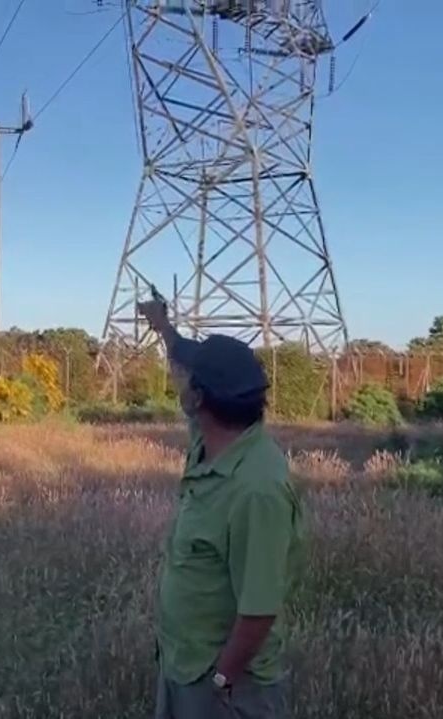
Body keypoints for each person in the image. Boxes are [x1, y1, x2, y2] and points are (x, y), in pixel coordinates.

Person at [137, 295, 304, 719]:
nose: (179, 381)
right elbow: (183, 360)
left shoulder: (256, 490)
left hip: (225, 686)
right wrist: (163, 327)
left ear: (198, 398)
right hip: (185, 664)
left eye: (186, 380)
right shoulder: (213, 438)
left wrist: (221, 681)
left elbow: (258, 610)